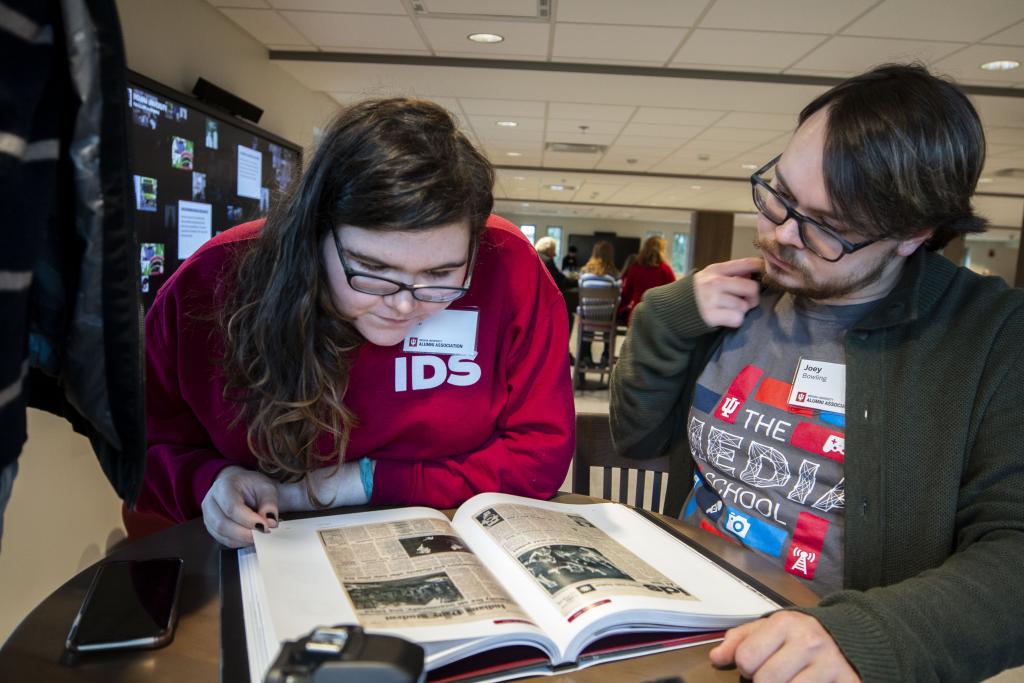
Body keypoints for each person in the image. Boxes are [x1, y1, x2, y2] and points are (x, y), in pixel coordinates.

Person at [610, 64, 1024, 682]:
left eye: (826, 227)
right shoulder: (736, 298)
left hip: (818, 656)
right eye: (779, 195)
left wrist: (866, 635)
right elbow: (637, 437)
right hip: (681, 622)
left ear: (914, 234)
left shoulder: (993, 335)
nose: (779, 235)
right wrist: (667, 318)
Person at [135, 98, 575, 548]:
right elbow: (145, 448)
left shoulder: (509, 265)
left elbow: (539, 453)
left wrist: (356, 483)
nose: (404, 306)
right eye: (372, 270)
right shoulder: (212, 281)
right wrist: (210, 481)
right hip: (256, 555)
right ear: (313, 231)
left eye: (440, 275)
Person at [577, 241, 619, 368]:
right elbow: (618, 296)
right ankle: (606, 355)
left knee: (585, 313)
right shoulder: (614, 274)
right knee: (611, 313)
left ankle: (585, 356)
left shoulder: (584, 273)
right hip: (607, 319)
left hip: (587, 318)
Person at [617, 236, 674, 325]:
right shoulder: (666, 270)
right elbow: (672, 294)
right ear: (662, 251)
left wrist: (620, 309)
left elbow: (626, 293)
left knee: (634, 338)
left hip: (637, 312)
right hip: (658, 315)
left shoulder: (635, 268)